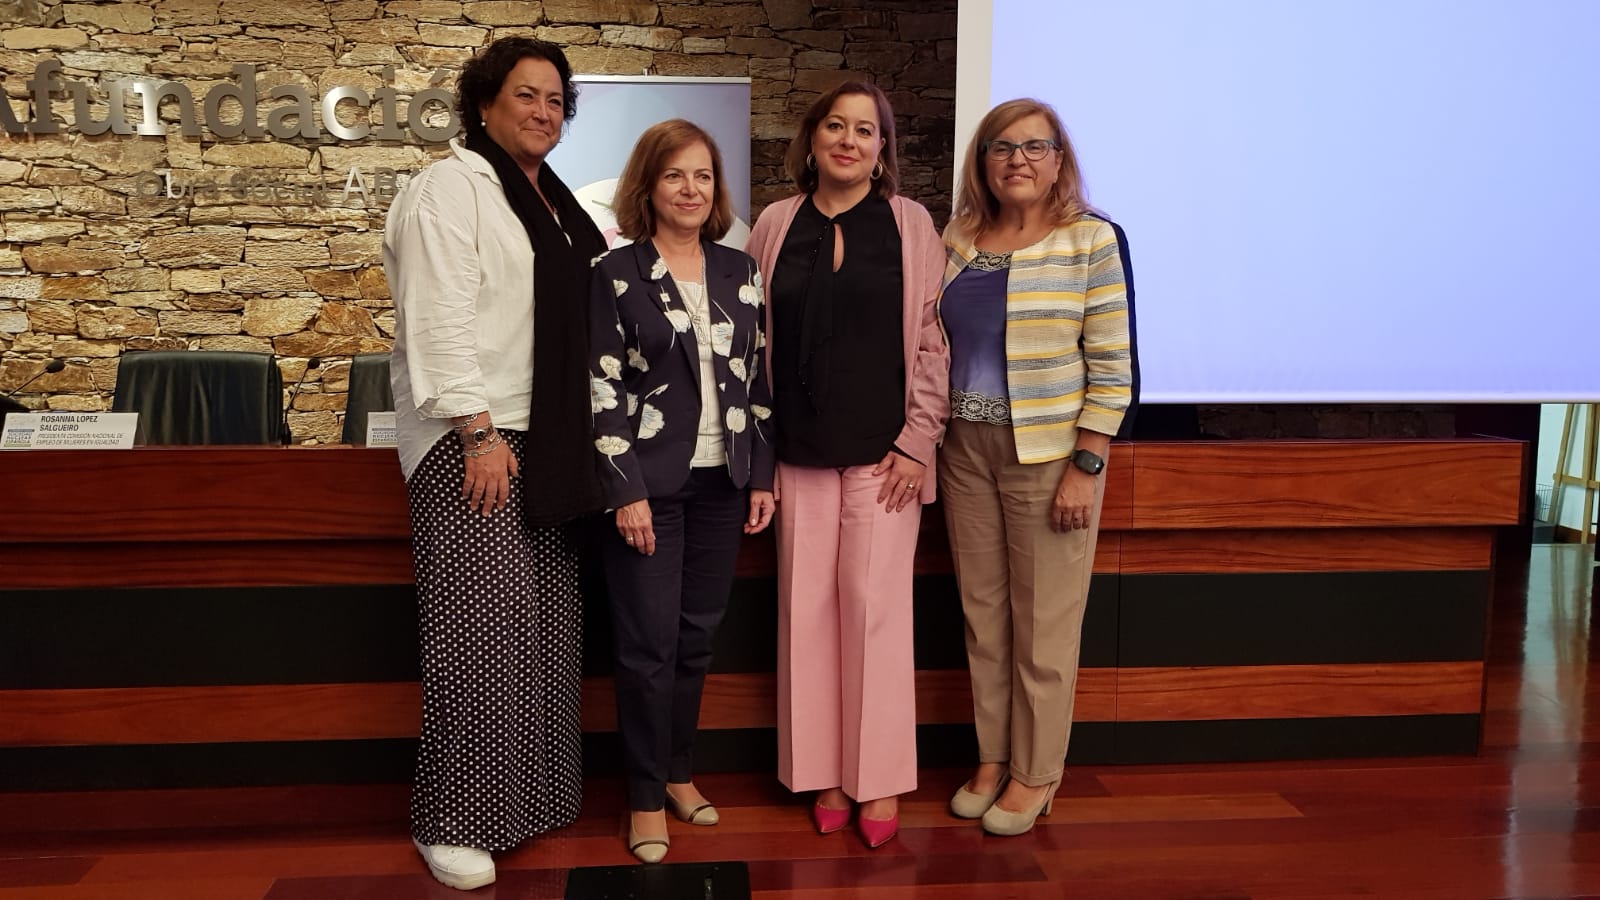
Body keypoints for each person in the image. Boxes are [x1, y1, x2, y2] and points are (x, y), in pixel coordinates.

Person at [381, 37, 607, 891]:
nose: (544, 111)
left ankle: (528, 799)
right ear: (483, 103)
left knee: (541, 633)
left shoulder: (549, 201)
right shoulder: (451, 186)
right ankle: (452, 819)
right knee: (476, 638)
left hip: (546, 444)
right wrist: (477, 432)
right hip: (477, 444)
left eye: (556, 100)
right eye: (526, 95)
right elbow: (438, 316)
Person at [745, 82, 949, 850]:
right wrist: (757, 463)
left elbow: (933, 344)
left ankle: (881, 779)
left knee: (874, 612)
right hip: (795, 455)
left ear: (882, 149)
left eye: (866, 130)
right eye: (836, 125)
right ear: (813, 137)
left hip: (884, 459)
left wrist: (916, 442)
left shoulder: (910, 223)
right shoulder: (773, 223)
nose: (849, 140)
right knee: (808, 614)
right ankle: (826, 774)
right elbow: (748, 346)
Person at [938, 98, 1135, 836]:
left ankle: (1035, 774)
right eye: (1000, 147)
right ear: (982, 161)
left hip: (1049, 458)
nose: (1017, 159)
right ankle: (992, 759)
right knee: (985, 621)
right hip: (963, 453)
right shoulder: (955, 237)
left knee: (1044, 629)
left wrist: (1088, 462)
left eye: (1034, 146)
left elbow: (1113, 368)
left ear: (1059, 159)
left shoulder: (1091, 240)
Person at [587, 119, 777, 864]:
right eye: (675, 176)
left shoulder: (740, 272)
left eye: (702, 175)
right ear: (649, 186)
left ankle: (678, 773)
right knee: (645, 648)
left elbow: (756, 380)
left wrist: (761, 475)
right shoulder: (616, 273)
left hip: (724, 484)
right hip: (648, 488)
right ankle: (640, 796)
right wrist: (623, 489)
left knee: (696, 638)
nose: (691, 189)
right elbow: (600, 387)